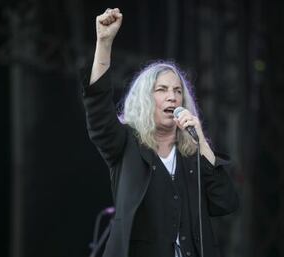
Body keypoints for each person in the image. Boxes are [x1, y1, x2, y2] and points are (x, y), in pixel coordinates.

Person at [82, 8, 239, 257]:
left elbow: (225, 202)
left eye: (178, 91)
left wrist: (203, 145)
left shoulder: (191, 155)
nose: (172, 96)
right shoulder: (127, 145)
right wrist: (104, 43)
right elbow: (98, 113)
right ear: (146, 99)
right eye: (162, 90)